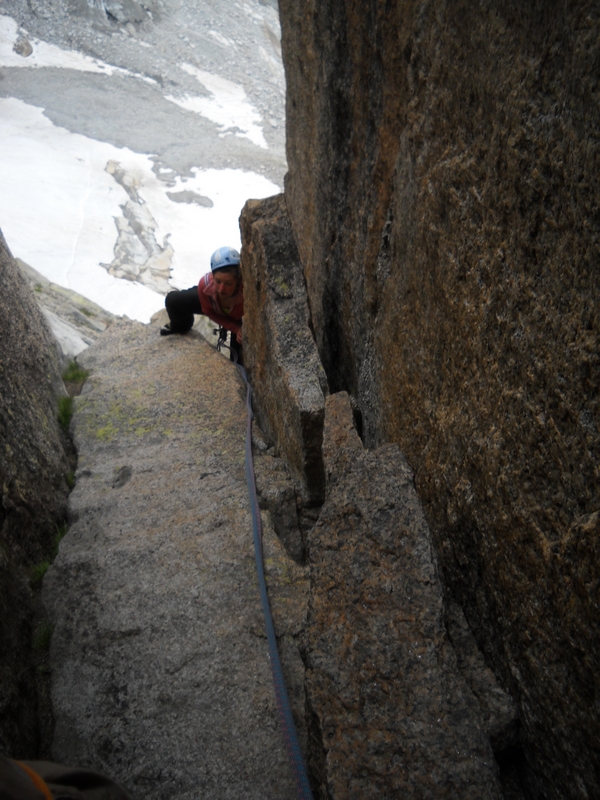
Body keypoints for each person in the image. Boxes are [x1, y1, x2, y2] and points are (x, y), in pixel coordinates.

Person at [161, 246, 244, 361]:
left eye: (228, 283)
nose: (221, 289)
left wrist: (239, 330)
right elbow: (208, 311)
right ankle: (180, 326)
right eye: (217, 281)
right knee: (174, 301)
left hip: (239, 319)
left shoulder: (246, 294)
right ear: (212, 276)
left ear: (238, 281)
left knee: (239, 360)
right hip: (211, 302)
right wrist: (235, 328)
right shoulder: (205, 286)